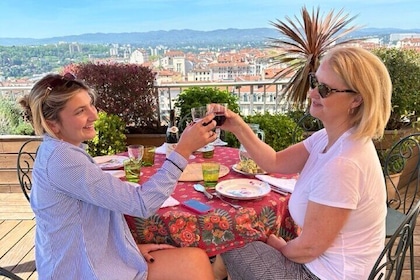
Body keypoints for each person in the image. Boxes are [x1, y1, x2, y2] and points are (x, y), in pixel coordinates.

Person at [214, 46, 392, 279]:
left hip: (325, 274)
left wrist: (280, 248)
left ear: (356, 99)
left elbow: (309, 248)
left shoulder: (344, 163)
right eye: (314, 82)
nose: (312, 93)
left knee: (230, 239)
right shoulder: (331, 138)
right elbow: (275, 161)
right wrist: (237, 126)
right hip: (324, 264)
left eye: (325, 89)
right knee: (244, 238)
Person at [19, 73, 218, 280]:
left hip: (88, 260)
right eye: (80, 111)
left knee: (195, 260)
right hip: (82, 272)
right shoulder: (64, 160)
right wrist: (184, 149)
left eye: (91, 105)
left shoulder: (58, 151)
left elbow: (82, 224)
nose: (94, 115)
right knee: (195, 263)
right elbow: (142, 203)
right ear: (53, 125)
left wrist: (126, 249)